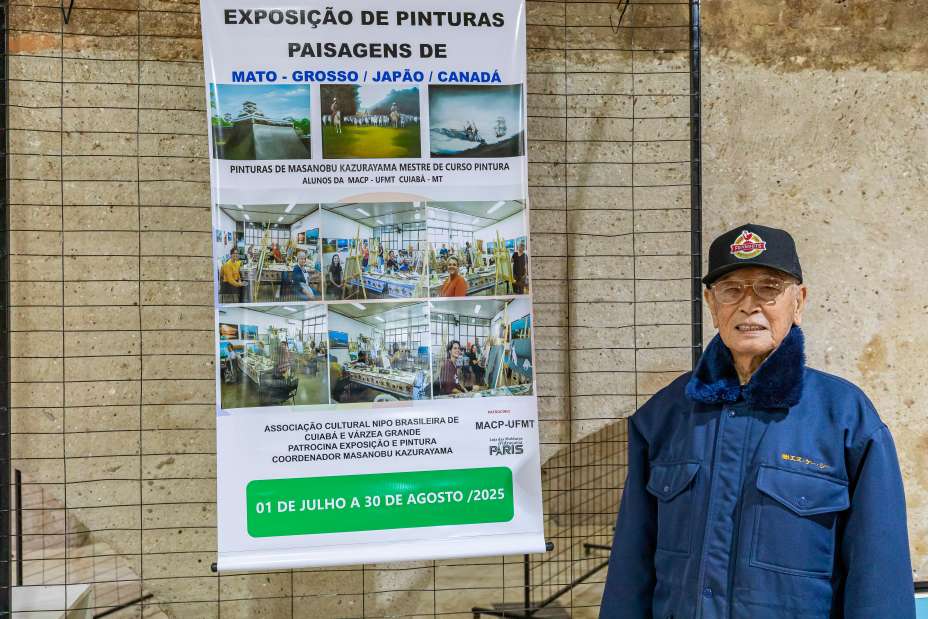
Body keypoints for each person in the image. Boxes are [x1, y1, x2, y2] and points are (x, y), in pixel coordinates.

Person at [599, 224, 914, 619]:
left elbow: (880, 575)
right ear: (711, 304)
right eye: (731, 290)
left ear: (798, 302)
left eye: (769, 288)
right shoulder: (664, 415)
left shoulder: (846, 418)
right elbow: (631, 566)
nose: (749, 305)